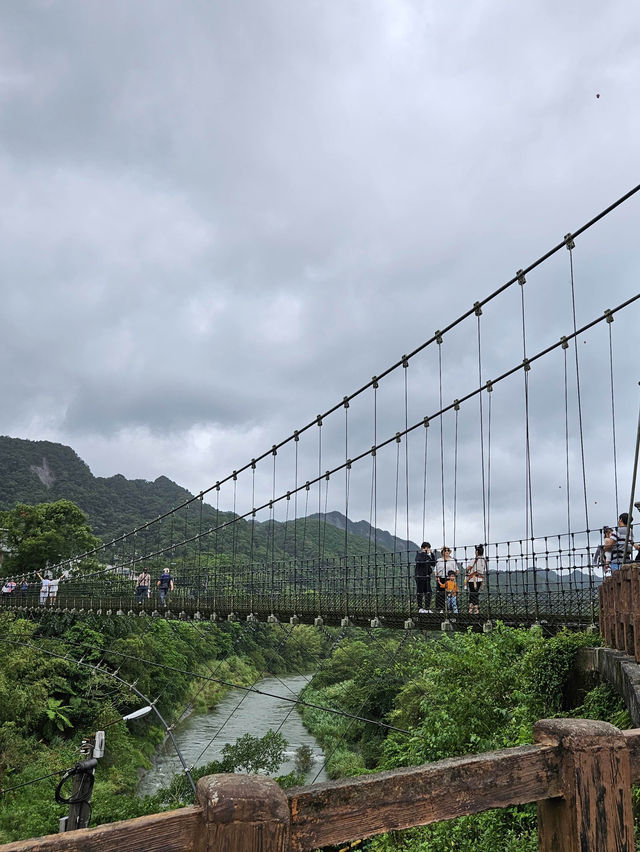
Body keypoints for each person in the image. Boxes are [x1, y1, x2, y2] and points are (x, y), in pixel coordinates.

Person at [434, 547, 458, 613]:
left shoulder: (452, 560)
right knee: (440, 594)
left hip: (449, 579)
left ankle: (450, 609)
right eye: (445, 551)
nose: (446, 552)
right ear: (442, 552)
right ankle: (441, 608)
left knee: (450, 594)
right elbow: (435, 570)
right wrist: (437, 576)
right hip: (441, 578)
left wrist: (453, 577)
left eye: (448, 551)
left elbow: (457, 570)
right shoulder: (439, 560)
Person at [415, 542, 436, 613]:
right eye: (427, 548)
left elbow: (433, 563)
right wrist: (424, 553)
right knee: (420, 592)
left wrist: (432, 554)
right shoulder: (419, 554)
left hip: (427, 577)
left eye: (429, 548)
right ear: (423, 548)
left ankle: (427, 608)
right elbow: (419, 561)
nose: (428, 549)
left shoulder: (428, 556)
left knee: (428, 592)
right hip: (420, 577)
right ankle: (420, 608)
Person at [466, 544, 486, 615]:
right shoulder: (484, 560)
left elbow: (468, 568)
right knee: (475, 593)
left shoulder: (474, 559)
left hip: (472, 579)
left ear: (477, 552)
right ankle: (473, 609)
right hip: (480, 579)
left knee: (472, 593)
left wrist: (467, 571)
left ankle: (473, 609)